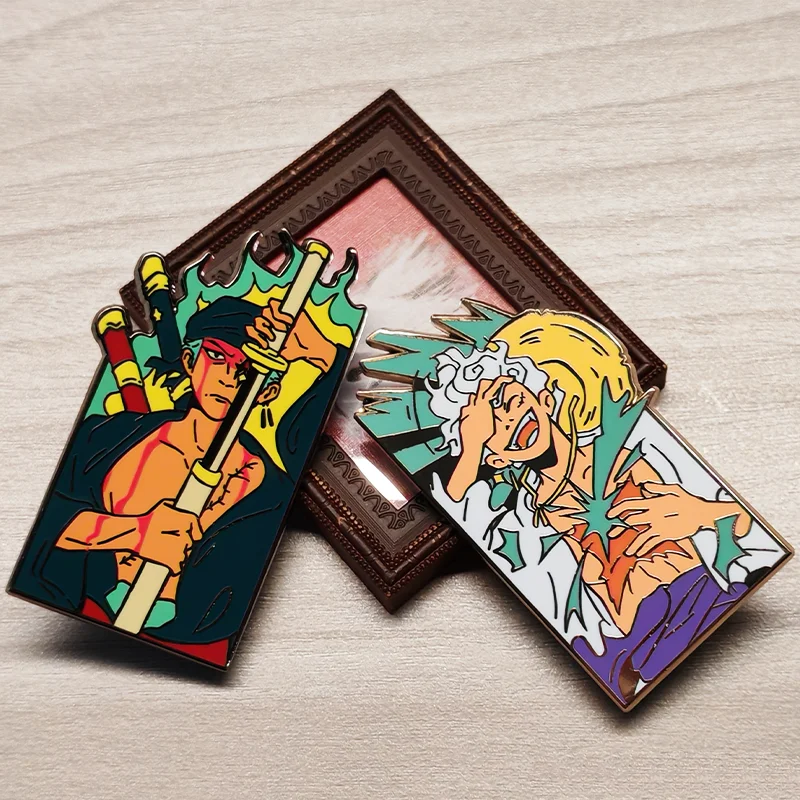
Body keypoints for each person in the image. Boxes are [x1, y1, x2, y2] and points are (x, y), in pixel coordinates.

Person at [423, 311, 783, 703]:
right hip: (630, 638)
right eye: (490, 427)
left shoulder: (623, 446)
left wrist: (700, 513)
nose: (509, 420)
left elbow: (738, 522)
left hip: (695, 593)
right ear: (493, 458)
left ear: (544, 396)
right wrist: (471, 446)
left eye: (509, 399)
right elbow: (458, 501)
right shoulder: (530, 512)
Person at [12, 295, 342, 665]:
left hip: (191, 650)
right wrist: (134, 532)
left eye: (248, 369)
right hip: (77, 633)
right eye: (216, 356)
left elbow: (309, 434)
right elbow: (50, 526)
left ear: (268, 390)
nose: (228, 378)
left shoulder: (271, 490)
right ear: (189, 360)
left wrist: (322, 352)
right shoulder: (105, 437)